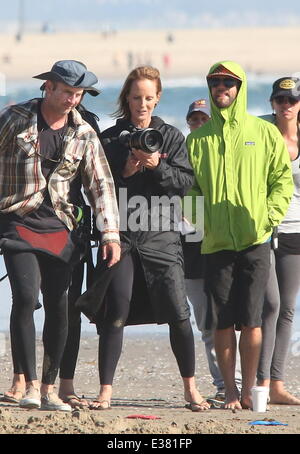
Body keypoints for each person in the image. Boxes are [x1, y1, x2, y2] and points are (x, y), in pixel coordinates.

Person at [77, 65, 210, 411]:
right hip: (121, 235)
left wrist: (156, 166)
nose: (142, 104)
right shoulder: (110, 138)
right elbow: (97, 188)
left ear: (158, 98)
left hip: (162, 236)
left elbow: (183, 185)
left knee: (179, 313)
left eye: (149, 98)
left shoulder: (171, 138)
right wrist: (124, 172)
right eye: (136, 97)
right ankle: (105, 390)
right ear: (127, 98)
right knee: (115, 311)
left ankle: (191, 389)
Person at [0, 60, 120, 411]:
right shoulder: (14, 118)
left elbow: (102, 185)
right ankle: (30, 387)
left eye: (78, 93)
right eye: (67, 91)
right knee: (24, 297)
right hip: (16, 219)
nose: (73, 99)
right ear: (48, 87)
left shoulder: (83, 133)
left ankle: (51, 389)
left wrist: (111, 234)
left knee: (59, 306)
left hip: (60, 227)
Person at [186, 60, 293, 410]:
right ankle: (229, 391)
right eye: (215, 83)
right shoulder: (198, 139)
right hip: (216, 243)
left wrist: (269, 217)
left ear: (240, 88)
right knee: (221, 322)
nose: (222, 89)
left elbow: (281, 180)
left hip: (255, 241)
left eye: (228, 84)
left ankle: (249, 390)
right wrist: (202, 221)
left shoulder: (262, 133)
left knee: (251, 319)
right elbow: (188, 188)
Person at [182, 99, 242, 405]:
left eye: (204, 119)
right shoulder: (182, 157)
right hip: (193, 251)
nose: (199, 124)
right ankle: (223, 383)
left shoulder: (230, 156)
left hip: (227, 248)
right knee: (207, 322)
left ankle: (243, 382)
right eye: (194, 120)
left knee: (235, 318)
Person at [257, 77, 300, 404]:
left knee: (286, 308)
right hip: (264, 228)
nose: (286, 105)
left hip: (296, 232)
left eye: (292, 99)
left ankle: (276, 384)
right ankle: (259, 381)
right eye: (280, 99)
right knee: (267, 306)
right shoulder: (261, 131)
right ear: (272, 102)